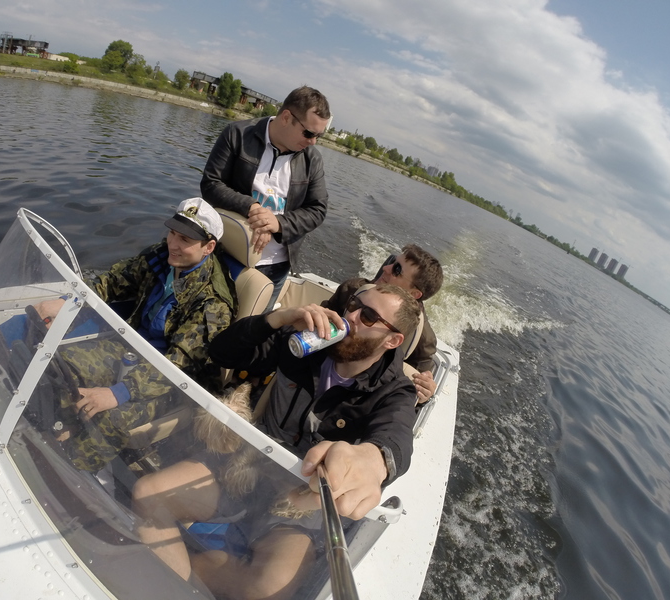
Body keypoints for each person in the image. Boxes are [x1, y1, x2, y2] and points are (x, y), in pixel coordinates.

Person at [132, 284, 419, 599]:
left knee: (267, 589)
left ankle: (186, 570)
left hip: (299, 496)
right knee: (149, 495)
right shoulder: (307, 343)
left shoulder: (394, 391)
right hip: (248, 464)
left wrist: (374, 460)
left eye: (368, 316)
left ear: (392, 340)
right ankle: (178, 584)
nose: (351, 316)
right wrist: (275, 320)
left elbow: (395, 436)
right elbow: (223, 353)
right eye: (353, 304)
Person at [34, 198, 237, 471]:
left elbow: (179, 366)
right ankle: (61, 427)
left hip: (174, 385)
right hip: (132, 349)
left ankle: (68, 471)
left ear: (208, 247)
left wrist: (117, 393)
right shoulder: (163, 257)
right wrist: (69, 301)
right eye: (172, 233)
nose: (173, 244)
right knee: (62, 367)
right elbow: (115, 280)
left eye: (185, 240)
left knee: (112, 419)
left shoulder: (213, 303)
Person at [200, 85, 330, 310]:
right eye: (309, 133)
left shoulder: (312, 160)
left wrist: (278, 223)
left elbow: (317, 210)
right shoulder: (237, 134)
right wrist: (251, 207)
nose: (313, 142)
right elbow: (211, 184)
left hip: (275, 267)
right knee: (208, 315)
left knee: (252, 326)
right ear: (286, 117)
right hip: (225, 251)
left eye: (319, 135)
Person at [322, 244, 443, 404]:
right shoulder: (352, 289)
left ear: (414, 294)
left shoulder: (422, 340)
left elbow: (413, 388)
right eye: (392, 262)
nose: (385, 268)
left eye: (397, 270)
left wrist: (424, 393)